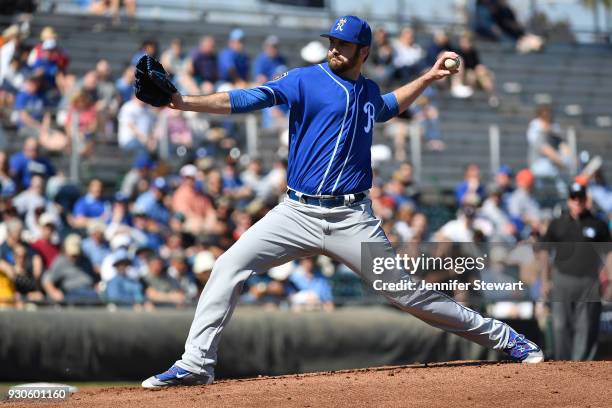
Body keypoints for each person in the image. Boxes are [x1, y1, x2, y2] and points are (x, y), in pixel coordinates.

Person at [142, 15, 543, 389]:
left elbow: (387, 106)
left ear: (363, 51)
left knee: (408, 294)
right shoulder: (304, 80)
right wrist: (182, 102)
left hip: (352, 218)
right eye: (333, 41)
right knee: (228, 265)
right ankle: (195, 364)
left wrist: (429, 77)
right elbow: (247, 98)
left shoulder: (368, 90)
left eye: (344, 44)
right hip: (296, 212)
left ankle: (506, 338)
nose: (335, 48)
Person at [539, 183, 611, 360]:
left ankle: (582, 368)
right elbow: (544, 251)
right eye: (574, 198)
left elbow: (608, 253)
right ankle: (563, 367)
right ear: (568, 200)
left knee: (586, 326)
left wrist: (609, 280)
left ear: (586, 200)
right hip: (562, 279)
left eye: (581, 198)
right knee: (560, 325)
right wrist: (545, 279)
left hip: (589, 281)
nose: (577, 201)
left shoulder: (598, 224)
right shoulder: (557, 224)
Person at [42, 234, 98, 302]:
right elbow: (47, 279)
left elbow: (93, 279)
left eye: (76, 255)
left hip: (90, 293)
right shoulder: (61, 261)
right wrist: (53, 292)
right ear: (65, 250)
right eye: (72, 255)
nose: (74, 257)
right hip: (71, 295)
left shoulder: (86, 260)